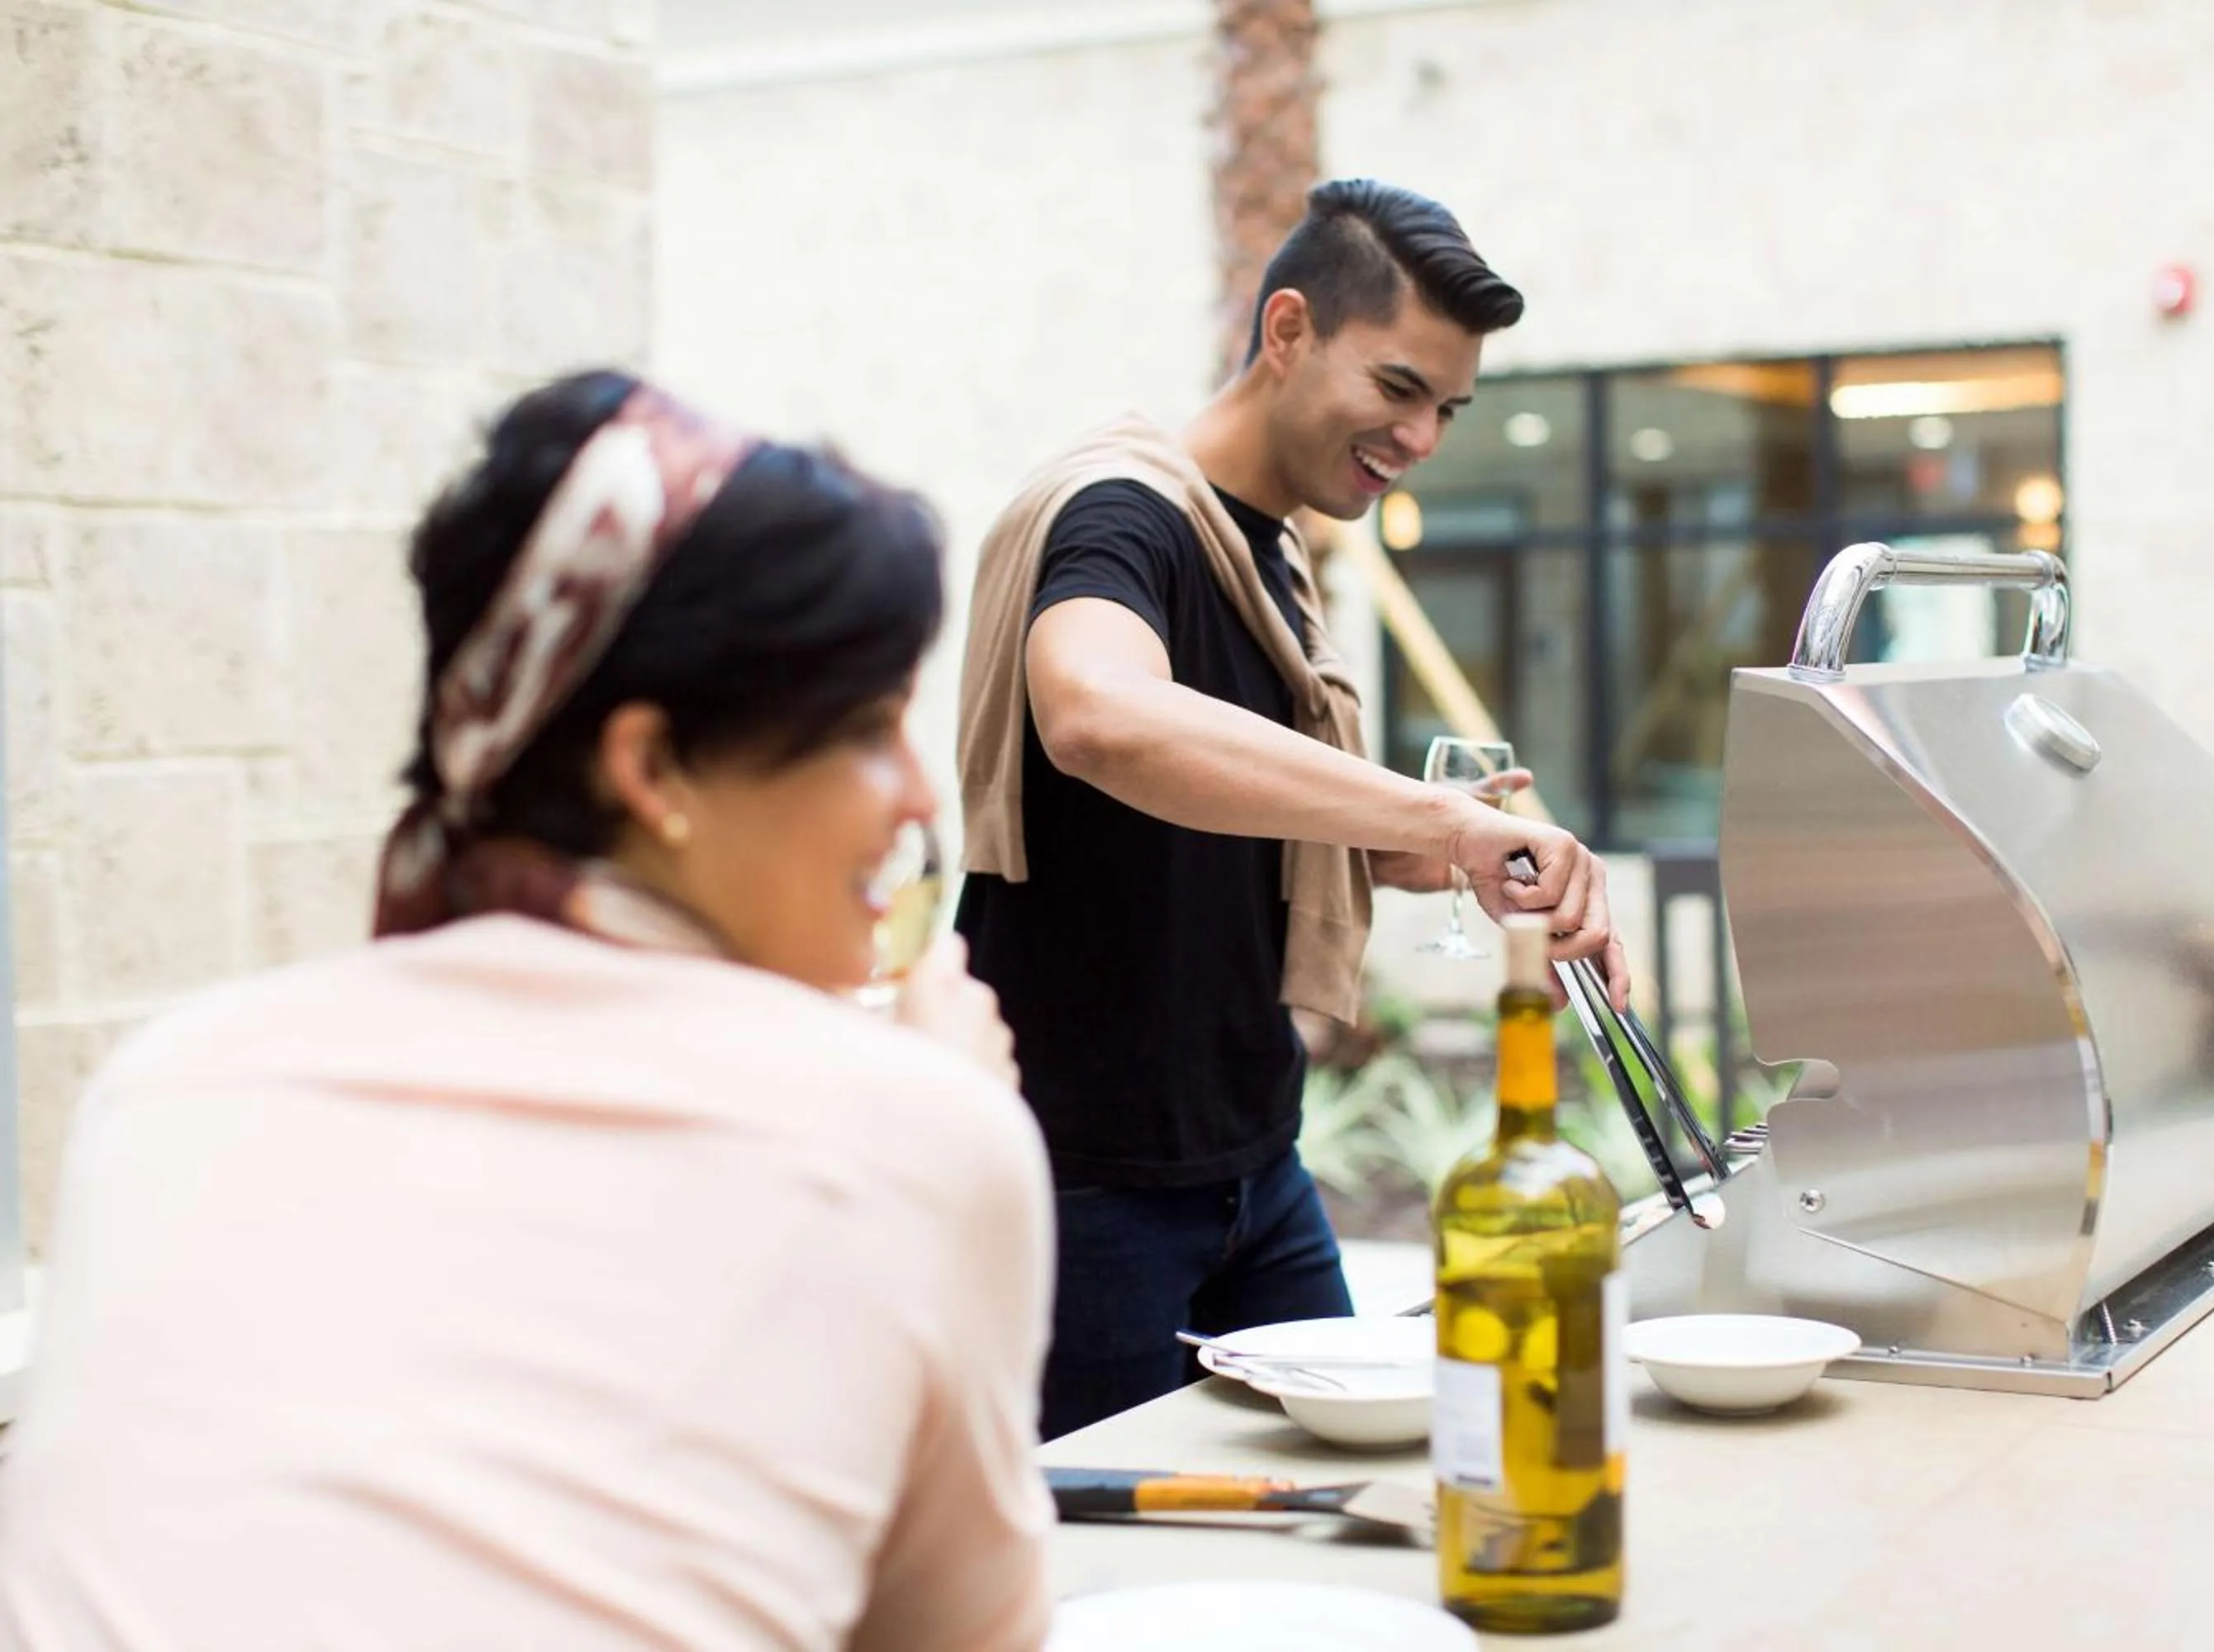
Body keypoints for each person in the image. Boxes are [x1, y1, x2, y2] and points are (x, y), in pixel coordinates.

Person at [0, 373, 1053, 1652]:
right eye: (872, 731)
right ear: (650, 767)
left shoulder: (165, 1080)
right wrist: (942, 1108)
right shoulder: (920, 1136)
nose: (916, 800)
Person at [955, 178, 1632, 1441]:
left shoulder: (1271, 555)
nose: (1424, 436)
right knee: (1118, 1587)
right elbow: (1100, 717)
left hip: (1257, 1166)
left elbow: (1216, 810)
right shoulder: (1122, 516)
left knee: (1375, 1489)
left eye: (1447, 407)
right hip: (1088, 1187)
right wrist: (1433, 821)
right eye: (1397, 389)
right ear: (1286, 333)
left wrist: (1411, 845)